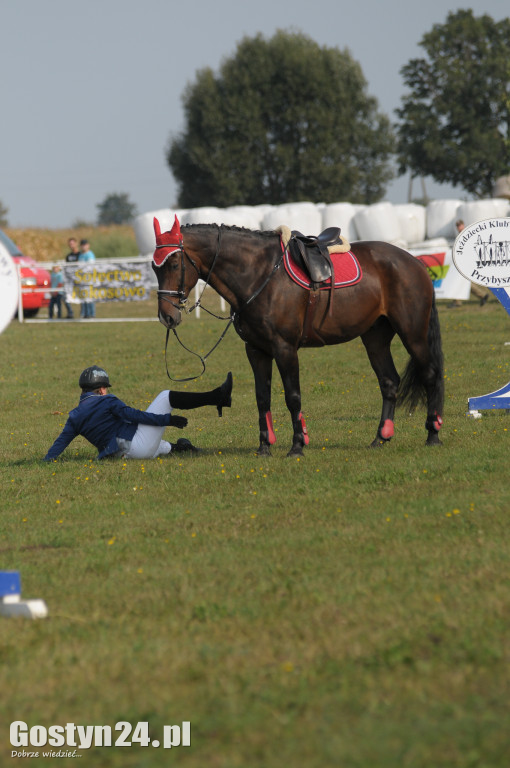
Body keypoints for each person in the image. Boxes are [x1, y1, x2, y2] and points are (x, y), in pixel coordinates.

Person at [43, 366, 233, 461]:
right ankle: (217, 397)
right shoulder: (107, 400)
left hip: (120, 456)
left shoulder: (74, 416)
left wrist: (46, 461)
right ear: (101, 389)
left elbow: (60, 443)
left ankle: (182, 448)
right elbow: (136, 416)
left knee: (159, 444)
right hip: (136, 448)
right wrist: (168, 419)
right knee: (166, 396)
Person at [455, 220, 489, 306]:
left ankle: (482, 295)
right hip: (463, 262)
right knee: (462, 282)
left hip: (467, 263)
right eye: (457, 226)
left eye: (460, 225)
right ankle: (458, 301)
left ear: (463, 225)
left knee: (463, 282)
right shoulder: (460, 236)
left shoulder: (467, 235)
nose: (459, 227)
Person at [78, 239, 96, 318]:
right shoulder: (81, 255)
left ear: (88, 245)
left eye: (85, 244)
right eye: (82, 245)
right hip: (82, 279)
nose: (83, 246)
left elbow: (90, 266)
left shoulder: (90, 255)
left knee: (89, 297)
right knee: (83, 297)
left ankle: (91, 314)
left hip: (89, 279)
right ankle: (85, 313)